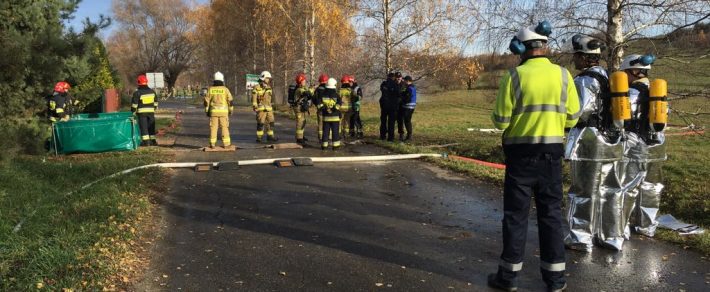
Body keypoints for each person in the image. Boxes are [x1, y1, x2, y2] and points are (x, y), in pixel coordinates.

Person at [488, 21, 579, 292]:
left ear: (519, 48)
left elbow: (501, 122)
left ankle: (508, 278)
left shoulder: (514, 77)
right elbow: (573, 118)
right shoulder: (564, 75)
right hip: (551, 154)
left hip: (520, 157)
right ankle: (556, 281)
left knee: (515, 216)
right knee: (551, 215)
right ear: (545, 46)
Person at [563, 34, 628, 251]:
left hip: (589, 142)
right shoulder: (611, 78)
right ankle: (610, 236)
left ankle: (580, 238)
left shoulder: (584, 81)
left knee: (583, 191)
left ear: (583, 57)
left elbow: (577, 113)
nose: (574, 60)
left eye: (576, 56)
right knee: (611, 191)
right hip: (613, 142)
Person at [619, 54, 666, 238]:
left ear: (632, 72)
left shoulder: (631, 92)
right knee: (652, 187)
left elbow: (622, 119)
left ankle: (620, 228)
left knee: (627, 187)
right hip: (657, 144)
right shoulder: (658, 92)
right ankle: (646, 227)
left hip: (636, 144)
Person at [204, 71, 234, 148]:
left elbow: (206, 101)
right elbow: (230, 101)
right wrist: (231, 110)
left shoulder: (210, 89)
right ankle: (226, 144)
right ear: (222, 80)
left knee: (213, 127)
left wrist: (207, 111)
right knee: (224, 127)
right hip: (224, 113)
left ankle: (212, 143)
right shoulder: (225, 89)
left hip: (213, 112)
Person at [131, 75, 159, 146]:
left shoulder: (137, 93)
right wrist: (154, 108)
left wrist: (133, 112)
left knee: (144, 127)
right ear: (146, 82)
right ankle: (153, 141)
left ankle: (146, 142)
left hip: (141, 113)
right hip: (151, 113)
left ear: (138, 82)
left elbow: (134, 105)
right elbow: (156, 102)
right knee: (151, 126)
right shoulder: (152, 92)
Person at [252, 71, 277, 143]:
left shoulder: (269, 88)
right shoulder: (256, 87)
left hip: (269, 109)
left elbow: (270, 99)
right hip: (261, 109)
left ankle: (270, 137)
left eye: (269, 78)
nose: (268, 80)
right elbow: (254, 98)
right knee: (260, 123)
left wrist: (273, 106)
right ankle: (259, 138)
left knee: (271, 123)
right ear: (263, 78)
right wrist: (255, 106)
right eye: (267, 78)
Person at [318, 78, 342, 150]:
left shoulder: (322, 95)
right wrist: (334, 109)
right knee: (335, 132)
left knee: (325, 132)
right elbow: (339, 104)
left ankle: (324, 146)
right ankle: (335, 147)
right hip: (335, 117)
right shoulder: (336, 95)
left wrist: (325, 109)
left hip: (326, 118)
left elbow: (319, 105)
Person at [290, 73, 313, 144]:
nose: (305, 82)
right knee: (300, 122)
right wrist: (312, 90)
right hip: (298, 108)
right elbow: (307, 93)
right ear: (300, 82)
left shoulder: (302, 88)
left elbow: (308, 96)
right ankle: (299, 138)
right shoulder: (299, 90)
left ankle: (301, 136)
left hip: (301, 108)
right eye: (304, 81)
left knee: (303, 121)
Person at [379, 72, 399, 141]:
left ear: (387, 77)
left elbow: (382, 90)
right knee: (391, 122)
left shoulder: (384, 84)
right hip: (392, 106)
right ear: (394, 77)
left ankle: (382, 136)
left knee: (383, 121)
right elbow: (398, 94)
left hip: (384, 105)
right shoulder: (395, 84)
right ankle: (391, 138)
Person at [397, 75, 417, 142]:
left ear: (408, 81)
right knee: (407, 121)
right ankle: (409, 136)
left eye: (405, 80)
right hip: (410, 106)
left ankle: (409, 136)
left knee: (407, 121)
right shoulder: (412, 87)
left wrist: (402, 100)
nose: (404, 81)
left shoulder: (409, 88)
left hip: (408, 106)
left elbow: (407, 98)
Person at [313, 74, 329, 143]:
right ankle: (327, 137)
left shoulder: (317, 89)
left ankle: (320, 138)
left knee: (320, 123)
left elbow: (313, 98)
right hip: (327, 109)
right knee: (327, 123)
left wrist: (317, 105)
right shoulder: (328, 89)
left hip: (320, 109)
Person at [338, 75, 355, 141]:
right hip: (348, 108)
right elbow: (356, 97)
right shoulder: (351, 90)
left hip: (341, 108)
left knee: (339, 121)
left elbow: (337, 99)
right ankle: (346, 134)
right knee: (347, 122)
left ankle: (339, 134)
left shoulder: (340, 91)